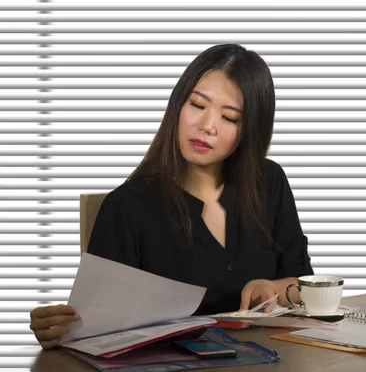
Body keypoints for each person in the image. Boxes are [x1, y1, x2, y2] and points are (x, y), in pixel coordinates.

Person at [29, 44, 314, 349]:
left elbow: (304, 285)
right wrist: (59, 329)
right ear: (178, 105)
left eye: (230, 118)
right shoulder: (126, 207)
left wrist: (271, 287)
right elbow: (98, 328)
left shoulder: (269, 181)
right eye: (197, 105)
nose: (207, 126)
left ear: (249, 131)